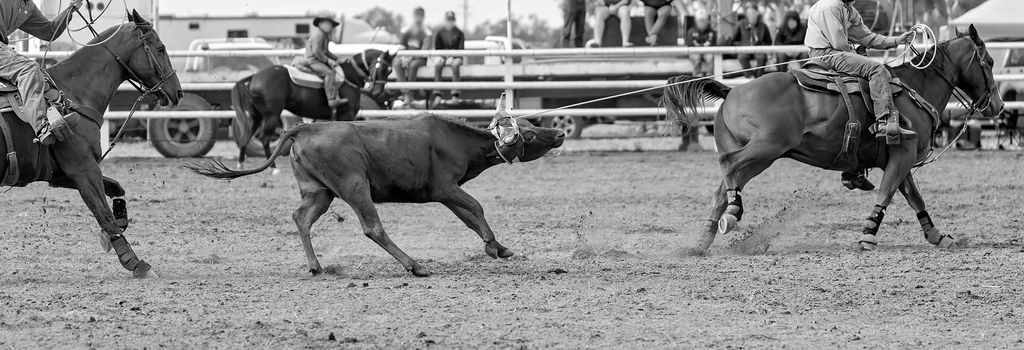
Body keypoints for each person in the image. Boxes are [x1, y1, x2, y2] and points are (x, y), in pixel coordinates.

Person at [805, 0, 913, 190]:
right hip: (829, 54)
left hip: (831, 52)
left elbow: (867, 37)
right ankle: (883, 120)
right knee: (877, 70)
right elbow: (839, 44)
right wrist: (857, 53)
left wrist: (896, 40)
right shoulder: (833, 6)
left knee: (868, 75)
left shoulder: (848, 10)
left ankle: (856, 168)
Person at [0, 0, 82, 145]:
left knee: (40, 78)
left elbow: (49, 31)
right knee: (29, 69)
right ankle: (42, 127)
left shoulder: (27, 6)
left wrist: (71, 9)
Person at [300, 16, 346, 108]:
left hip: (317, 60)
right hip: (312, 61)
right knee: (329, 73)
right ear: (320, 25)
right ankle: (331, 99)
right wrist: (328, 60)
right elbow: (316, 51)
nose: (329, 26)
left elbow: (326, 51)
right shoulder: (319, 35)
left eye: (330, 25)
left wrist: (336, 58)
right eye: (326, 24)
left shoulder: (324, 36)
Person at [395, 7, 431, 104]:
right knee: (397, 64)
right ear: (413, 17)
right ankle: (406, 93)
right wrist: (404, 58)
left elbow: (424, 51)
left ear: (423, 17)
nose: (418, 18)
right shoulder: (406, 30)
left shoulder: (427, 33)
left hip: (419, 59)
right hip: (406, 56)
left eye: (421, 16)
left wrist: (410, 57)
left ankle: (409, 93)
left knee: (413, 65)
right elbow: (401, 47)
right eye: (417, 16)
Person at [432, 11, 465, 107]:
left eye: (451, 20)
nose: (450, 22)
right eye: (448, 20)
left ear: (454, 21)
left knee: (455, 65)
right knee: (438, 65)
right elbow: (438, 49)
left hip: (456, 57)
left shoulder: (459, 33)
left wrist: (453, 56)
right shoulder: (440, 33)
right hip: (443, 56)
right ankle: (437, 94)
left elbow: (461, 49)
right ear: (445, 21)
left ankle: (455, 95)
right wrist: (444, 57)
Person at [732, 5, 773, 78]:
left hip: (758, 49)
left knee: (762, 57)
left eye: (753, 13)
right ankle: (749, 76)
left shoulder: (763, 26)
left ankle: (758, 77)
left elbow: (769, 41)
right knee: (742, 57)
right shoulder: (741, 24)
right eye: (749, 13)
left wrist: (761, 46)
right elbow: (734, 40)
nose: (751, 15)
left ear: (757, 13)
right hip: (745, 49)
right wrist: (742, 45)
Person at [685, 9, 716, 76]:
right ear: (696, 21)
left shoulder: (712, 32)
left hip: (707, 52)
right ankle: (697, 77)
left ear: (707, 21)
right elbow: (689, 44)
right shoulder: (691, 31)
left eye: (704, 20)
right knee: (696, 57)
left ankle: (710, 76)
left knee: (710, 56)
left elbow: (713, 44)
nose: (702, 23)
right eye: (700, 20)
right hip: (695, 52)